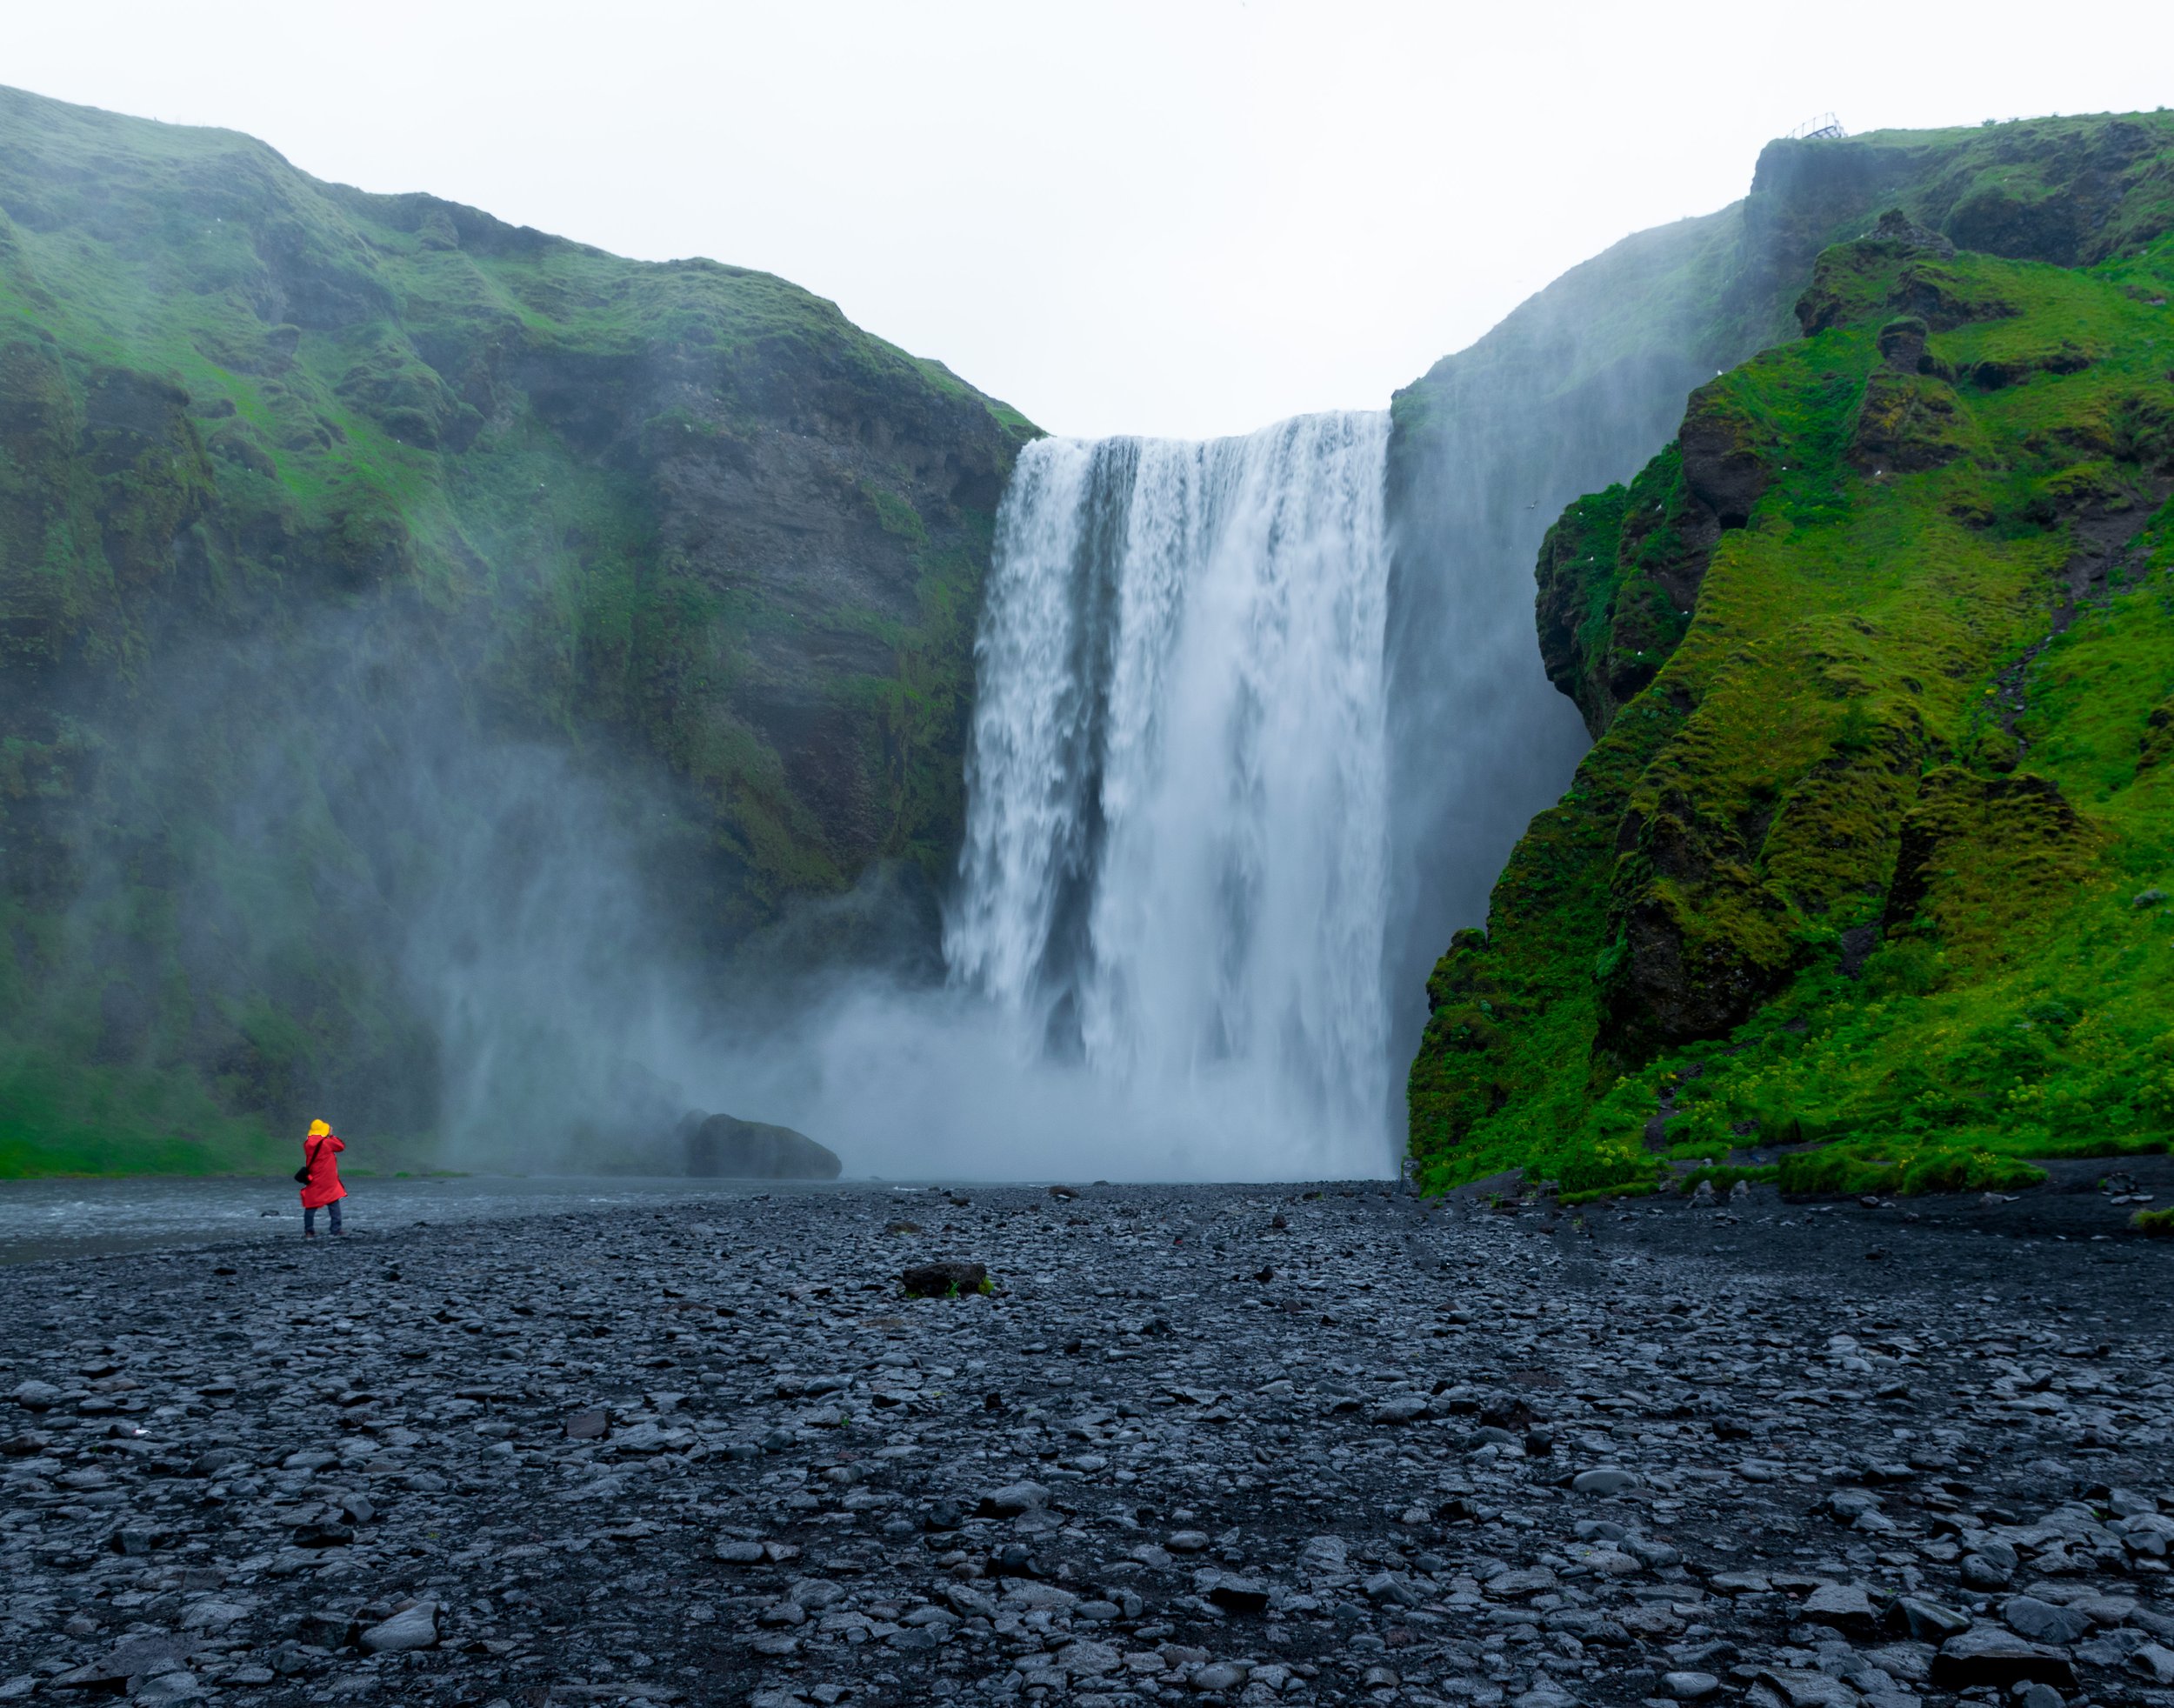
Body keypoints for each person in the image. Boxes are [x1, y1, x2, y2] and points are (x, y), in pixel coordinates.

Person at [299, 1119, 347, 1237]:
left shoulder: (307, 1143)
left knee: (311, 1204)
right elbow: (340, 1147)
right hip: (328, 1178)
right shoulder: (326, 1142)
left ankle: (309, 1231)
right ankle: (336, 1229)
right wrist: (331, 1136)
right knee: (333, 1202)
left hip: (314, 1178)